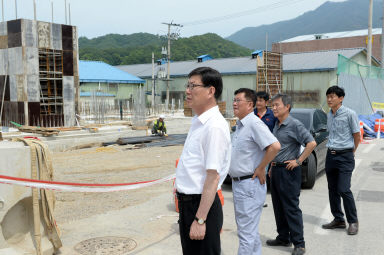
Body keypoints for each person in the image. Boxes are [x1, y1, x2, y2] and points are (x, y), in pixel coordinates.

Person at [175, 67, 231, 255]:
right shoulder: (199, 122)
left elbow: (213, 177)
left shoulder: (214, 126)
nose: (187, 91)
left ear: (211, 91)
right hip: (188, 205)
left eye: (193, 86)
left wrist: (200, 220)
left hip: (200, 206)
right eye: (187, 85)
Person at [229, 88, 280, 255]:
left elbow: (274, 146)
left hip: (247, 185)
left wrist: (260, 168)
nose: (234, 104)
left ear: (250, 105)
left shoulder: (254, 124)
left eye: (238, 100)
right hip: (241, 185)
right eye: (234, 100)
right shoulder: (241, 125)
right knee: (250, 232)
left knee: (246, 234)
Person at [267, 93, 316, 255]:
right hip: (276, 170)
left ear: (287, 107)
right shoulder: (276, 124)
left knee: (291, 208)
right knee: (278, 206)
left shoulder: (294, 124)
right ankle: (283, 237)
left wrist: (299, 160)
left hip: (289, 172)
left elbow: (311, 143)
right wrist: (271, 167)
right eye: (272, 105)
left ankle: (299, 244)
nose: (273, 108)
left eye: (276, 105)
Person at [321, 86, 360, 235]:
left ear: (341, 98)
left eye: (332, 96)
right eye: (328, 96)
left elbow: (357, 136)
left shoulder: (350, 114)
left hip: (345, 156)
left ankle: (353, 221)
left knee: (344, 189)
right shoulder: (329, 114)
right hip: (331, 155)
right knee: (332, 189)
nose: (329, 99)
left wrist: (352, 151)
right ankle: (338, 219)